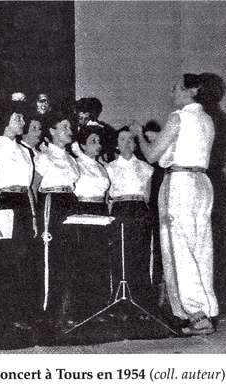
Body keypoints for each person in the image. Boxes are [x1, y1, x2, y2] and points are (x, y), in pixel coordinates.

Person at [130, 73, 218, 335]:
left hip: (180, 184)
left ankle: (194, 313)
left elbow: (152, 156)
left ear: (191, 91)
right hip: (202, 183)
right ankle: (206, 311)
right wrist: (155, 136)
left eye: (175, 89)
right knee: (201, 247)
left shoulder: (178, 117)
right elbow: (174, 151)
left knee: (178, 247)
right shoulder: (208, 119)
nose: (171, 93)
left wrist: (138, 135)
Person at [0, 101, 37, 333]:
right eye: (18, 118)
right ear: (6, 121)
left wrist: (34, 217)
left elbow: (30, 189)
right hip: (4, 202)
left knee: (23, 259)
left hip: (24, 203)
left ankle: (17, 313)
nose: (23, 122)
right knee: (4, 259)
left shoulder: (26, 151)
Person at [32, 113, 80, 330]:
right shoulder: (43, 157)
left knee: (69, 257)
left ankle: (66, 309)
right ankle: (47, 313)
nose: (69, 131)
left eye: (70, 128)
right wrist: (34, 216)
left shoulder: (71, 159)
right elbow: (33, 188)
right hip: (51, 204)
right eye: (64, 127)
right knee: (50, 258)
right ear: (51, 131)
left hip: (70, 203)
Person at [105, 127, 155, 312]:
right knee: (120, 254)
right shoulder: (109, 168)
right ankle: (119, 303)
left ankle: (142, 303)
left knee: (141, 255)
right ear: (116, 144)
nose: (127, 143)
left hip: (140, 210)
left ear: (135, 144)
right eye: (123, 139)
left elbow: (147, 197)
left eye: (131, 140)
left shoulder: (146, 168)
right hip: (119, 210)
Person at [71, 125, 111, 321]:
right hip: (83, 212)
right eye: (93, 141)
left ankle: (98, 308)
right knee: (83, 260)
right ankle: (81, 310)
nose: (98, 145)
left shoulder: (101, 166)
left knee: (100, 260)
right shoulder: (76, 164)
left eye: (99, 141)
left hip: (101, 211)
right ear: (82, 145)